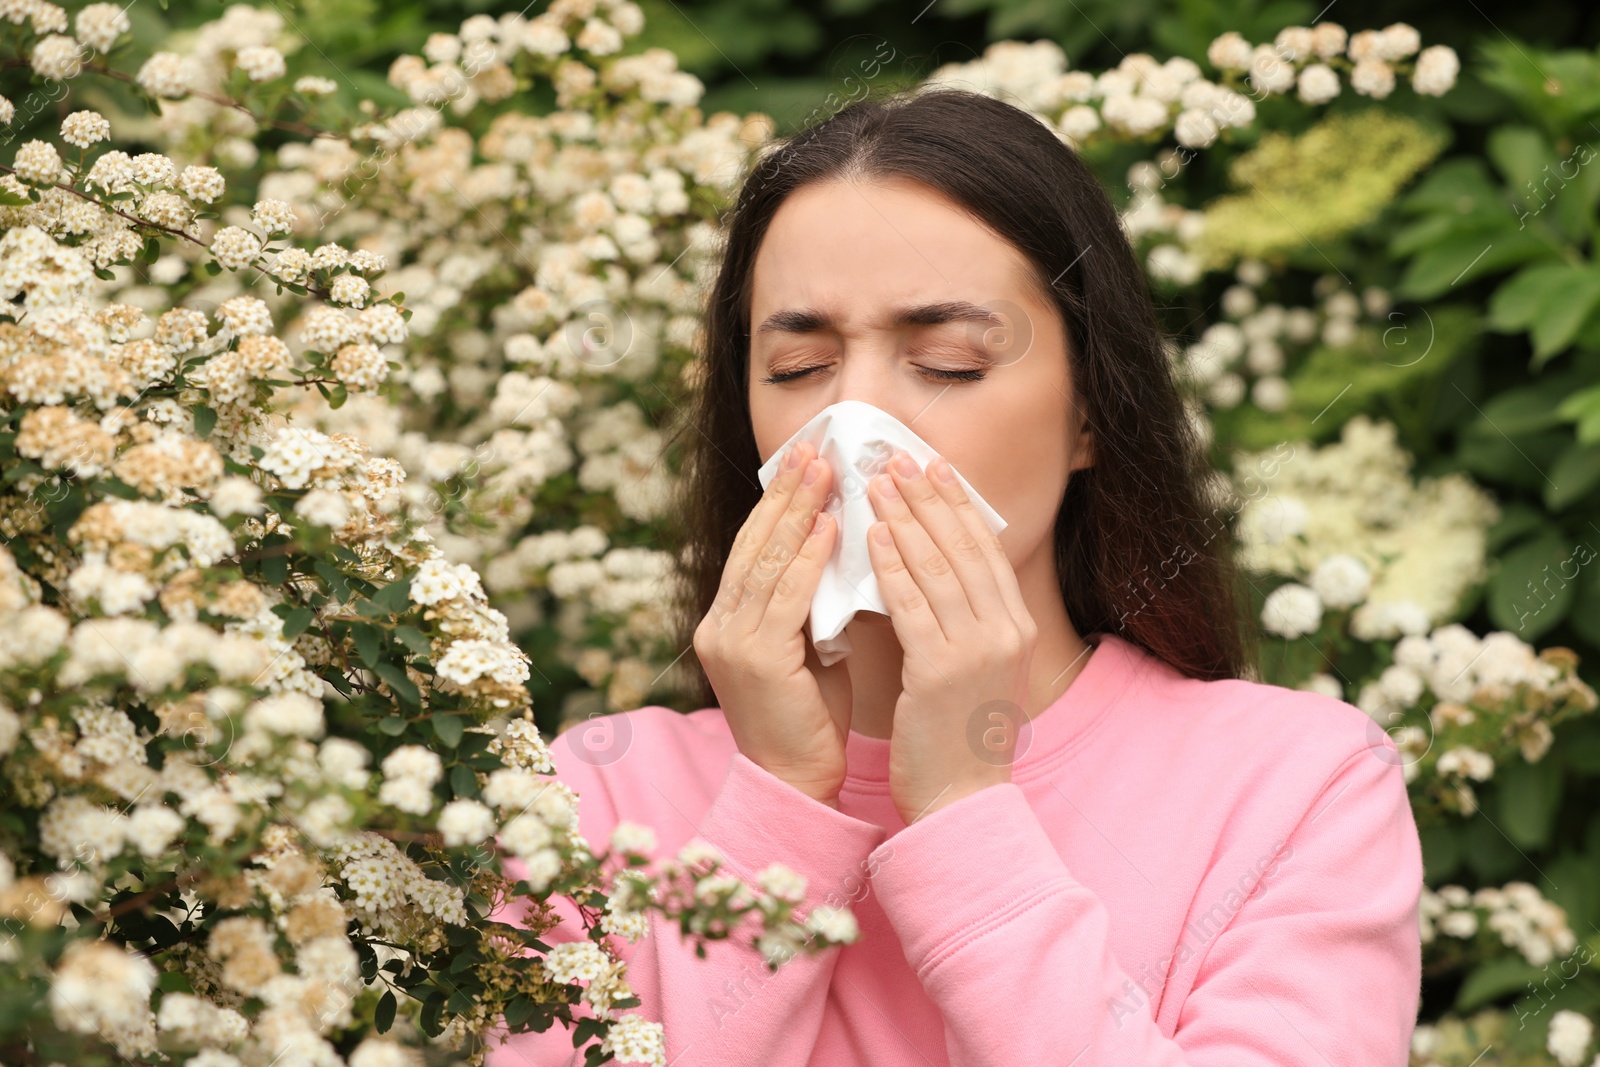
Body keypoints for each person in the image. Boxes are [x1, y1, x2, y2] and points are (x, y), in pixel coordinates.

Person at [487, 85, 1423, 1066]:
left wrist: (964, 813)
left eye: (946, 362)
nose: (855, 420)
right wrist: (775, 811)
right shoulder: (599, 798)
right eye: (799, 366)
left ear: (1090, 413)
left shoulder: (1295, 789)